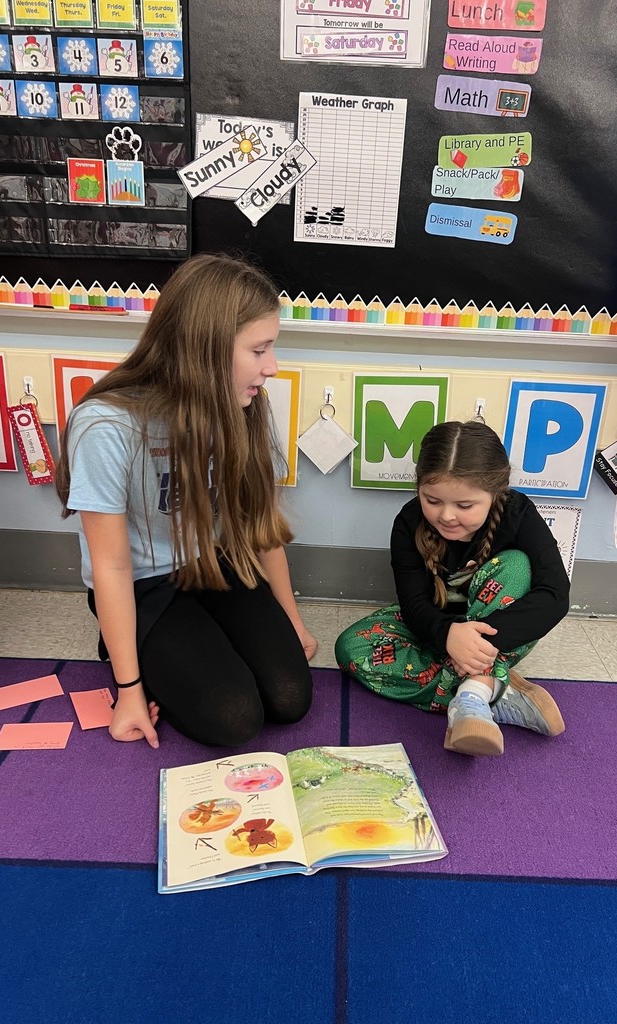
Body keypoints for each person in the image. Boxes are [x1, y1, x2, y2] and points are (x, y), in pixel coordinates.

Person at [55, 253, 317, 749]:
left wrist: (292, 620)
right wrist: (128, 692)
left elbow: (260, 527)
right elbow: (110, 567)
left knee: (289, 697)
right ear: (207, 348)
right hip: (142, 583)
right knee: (233, 717)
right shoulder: (106, 425)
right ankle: (137, 655)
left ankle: (189, 650)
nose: (273, 368)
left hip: (213, 564)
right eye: (260, 350)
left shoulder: (241, 403)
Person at [335, 420, 569, 756]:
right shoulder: (408, 522)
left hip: (494, 636)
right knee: (351, 648)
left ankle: (473, 691)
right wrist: (448, 637)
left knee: (517, 565)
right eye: (432, 500)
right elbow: (414, 604)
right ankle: (491, 689)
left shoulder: (518, 514)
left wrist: (475, 645)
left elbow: (555, 596)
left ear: (496, 493)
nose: (446, 516)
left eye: (464, 506)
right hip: (436, 629)